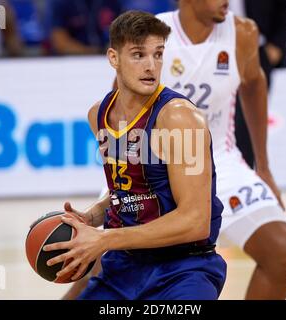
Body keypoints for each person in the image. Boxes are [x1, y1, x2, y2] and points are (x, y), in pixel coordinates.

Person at [44, 10, 227, 300]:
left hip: (183, 269)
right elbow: (130, 192)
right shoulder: (99, 115)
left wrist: (105, 239)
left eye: (157, 54)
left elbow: (195, 221)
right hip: (124, 268)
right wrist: (92, 216)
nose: (151, 66)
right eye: (138, 55)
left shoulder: (180, 119)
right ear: (113, 58)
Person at [156, 0, 286, 299]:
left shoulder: (243, 32)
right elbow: (122, 111)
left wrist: (262, 166)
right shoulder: (153, 34)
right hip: (157, 168)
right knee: (100, 267)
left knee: (285, 252)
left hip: (219, 164)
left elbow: (253, 84)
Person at [228, 0, 286, 168]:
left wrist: (278, 45)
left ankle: (245, 172)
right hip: (216, 47)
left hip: (258, 50)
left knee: (250, 118)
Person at [48, 0, 122, 55]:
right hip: (72, 60)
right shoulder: (62, 3)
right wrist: (91, 52)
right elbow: (59, 41)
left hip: (107, 57)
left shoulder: (113, 2)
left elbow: (123, 33)